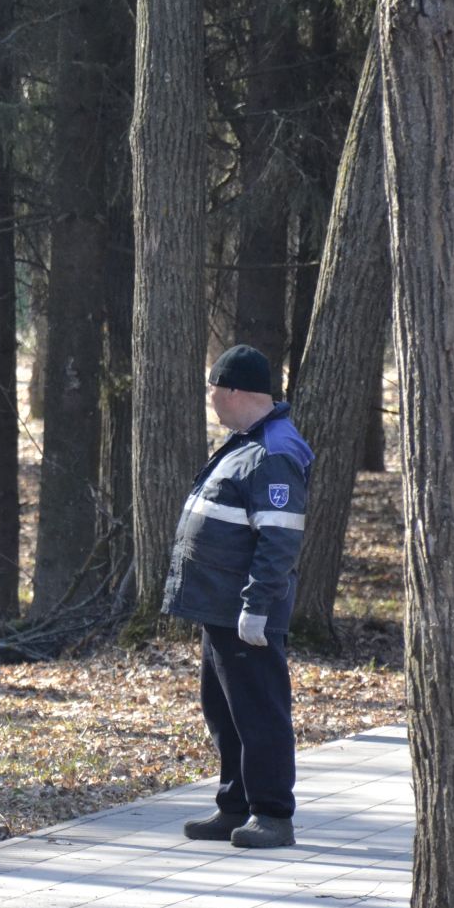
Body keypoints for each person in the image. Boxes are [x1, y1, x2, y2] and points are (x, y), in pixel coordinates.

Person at [164, 344, 315, 849]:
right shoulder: (244, 442)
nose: (209, 398)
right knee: (224, 710)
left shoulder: (273, 451)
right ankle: (235, 805)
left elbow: (279, 541)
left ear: (233, 390)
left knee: (259, 711)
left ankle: (272, 814)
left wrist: (257, 607)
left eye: (212, 389)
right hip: (220, 607)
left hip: (245, 610)